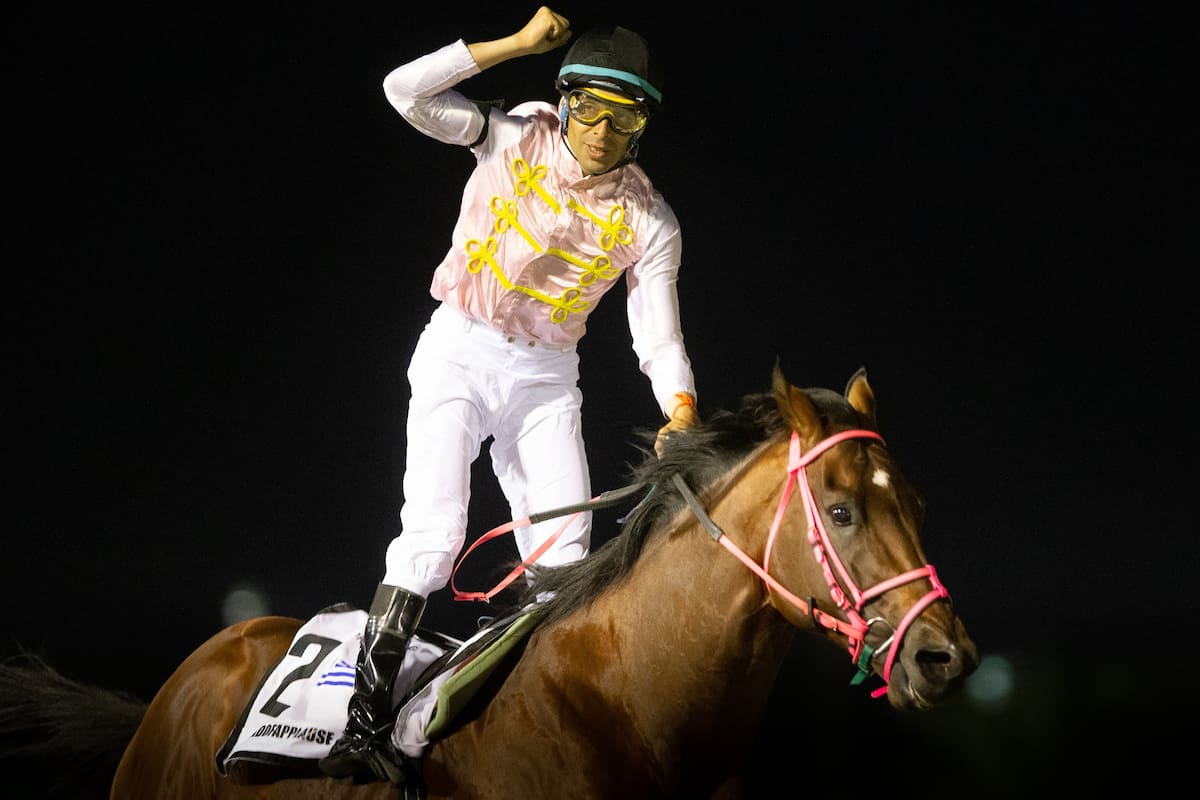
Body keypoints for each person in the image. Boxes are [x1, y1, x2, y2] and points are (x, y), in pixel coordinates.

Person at [319, 6, 700, 782]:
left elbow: (656, 335)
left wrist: (681, 408)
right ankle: (363, 722)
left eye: (623, 117)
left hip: (548, 378)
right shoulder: (510, 134)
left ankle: (511, 711)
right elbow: (404, 91)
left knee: (564, 562)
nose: (601, 130)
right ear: (564, 100)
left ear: (642, 129)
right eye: (590, 106)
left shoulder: (651, 220)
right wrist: (517, 45)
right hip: (458, 348)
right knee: (434, 537)